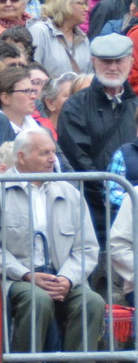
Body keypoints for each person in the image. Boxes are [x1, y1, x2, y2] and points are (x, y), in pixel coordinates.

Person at [0, 129, 104, 363]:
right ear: (21, 157)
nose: (52, 158)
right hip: (14, 279)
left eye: (53, 152)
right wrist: (26, 275)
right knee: (36, 300)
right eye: (44, 153)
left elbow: (88, 248)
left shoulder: (69, 191)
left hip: (61, 277)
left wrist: (67, 279)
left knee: (91, 302)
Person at [56, 34, 138, 240]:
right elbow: (78, 159)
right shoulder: (75, 106)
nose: (112, 67)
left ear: (131, 61)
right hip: (92, 209)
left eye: (119, 61)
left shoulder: (135, 104)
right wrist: (110, 195)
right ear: (94, 62)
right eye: (105, 61)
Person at [27, 0, 92, 78]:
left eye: (86, 4)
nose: (86, 9)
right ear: (64, 4)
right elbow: (31, 73)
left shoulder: (83, 38)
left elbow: (88, 75)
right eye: (81, 3)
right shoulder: (39, 31)